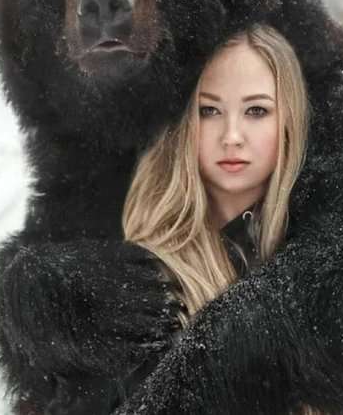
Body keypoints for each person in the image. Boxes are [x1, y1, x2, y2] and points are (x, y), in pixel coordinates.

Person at [123, 23, 308, 323]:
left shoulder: (327, 252)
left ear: (289, 121)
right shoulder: (144, 280)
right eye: (209, 110)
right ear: (181, 125)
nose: (232, 136)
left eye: (256, 111)